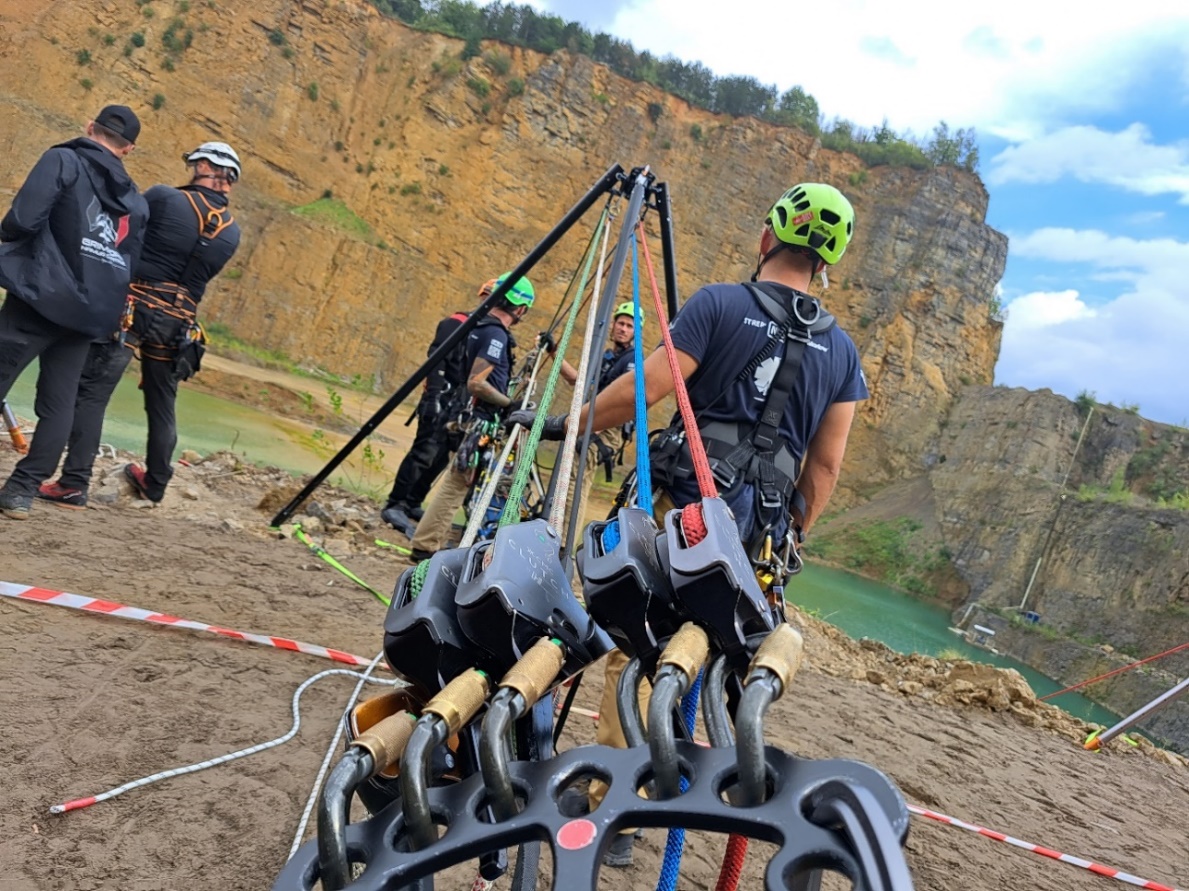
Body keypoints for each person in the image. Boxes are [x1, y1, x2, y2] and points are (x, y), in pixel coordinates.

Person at [511, 182, 868, 866]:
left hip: (688, 514)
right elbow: (824, 466)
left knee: (640, 643)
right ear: (828, 261)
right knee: (700, 651)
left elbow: (647, 389)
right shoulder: (843, 353)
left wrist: (567, 424)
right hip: (758, 532)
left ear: (767, 236)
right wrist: (787, 539)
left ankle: (613, 805)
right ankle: (646, 785)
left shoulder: (719, 304)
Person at [36, 142, 242, 509]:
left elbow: (123, 233)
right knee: (162, 403)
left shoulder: (165, 197)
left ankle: (73, 482)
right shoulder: (232, 232)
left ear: (204, 166)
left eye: (195, 163)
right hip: (179, 326)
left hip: (134, 309)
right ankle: (156, 482)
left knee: (92, 393)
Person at [0, 105, 149, 520]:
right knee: (59, 402)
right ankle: (21, 491)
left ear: (89, 127)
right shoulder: (137, 203)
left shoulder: (63, 160)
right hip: (90, 315)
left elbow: (22, 220)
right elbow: (130, 264)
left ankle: (22, 489)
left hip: (39, 298)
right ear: (129, 149)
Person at [405, 273, 535, 560]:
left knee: (461, 482)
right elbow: (477, 382)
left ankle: (435, 542)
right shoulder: (495, 334)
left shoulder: (479, 326)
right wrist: (509, 404)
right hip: (479, 420)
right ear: (520, 308)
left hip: (468, 414)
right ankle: (425, 546)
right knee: (457, 484)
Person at [379, 297, 476, 536]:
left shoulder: (482, 331)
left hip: (460, 404)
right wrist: (433, 397)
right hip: (441, 397)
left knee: (441, 457)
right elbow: (436, 360)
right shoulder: (456, 323)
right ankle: (396, 503)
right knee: (424, 452)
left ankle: (413, 501)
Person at [553, 301, 639, 530]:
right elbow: (580, 381)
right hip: (596, 422)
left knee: (573, 477)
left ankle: (562, 538)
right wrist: (554, 353)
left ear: (635, 333)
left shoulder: (632, 360)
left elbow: (624, 399)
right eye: (620, 323)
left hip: (608, 427)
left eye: (629, 326)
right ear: (613, 325)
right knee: (579, 480)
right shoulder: (609, 357)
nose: (623, 329)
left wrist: (597, 424)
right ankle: (563, 533)